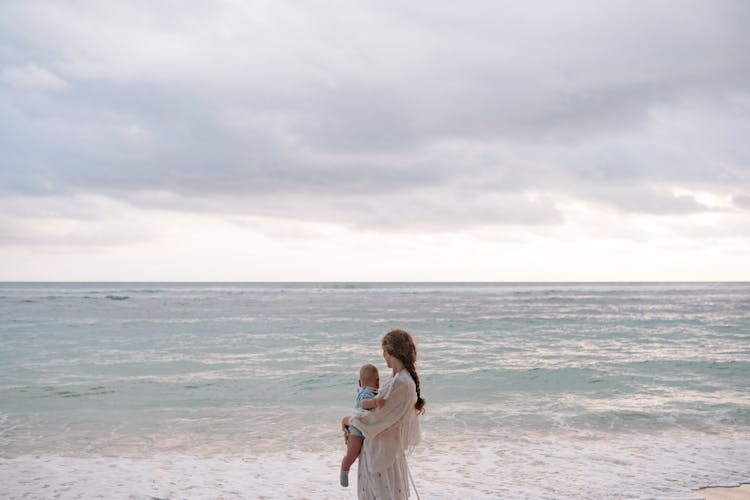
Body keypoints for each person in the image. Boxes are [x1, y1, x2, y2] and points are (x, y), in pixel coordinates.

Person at [341, 329, 426, 499]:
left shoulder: (401, 383)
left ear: (392, 352)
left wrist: (348, 420)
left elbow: (375, 419)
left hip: (383, 459)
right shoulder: (397, 380)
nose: (383, 357)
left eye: (384, 352)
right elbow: (376, 416)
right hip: (382, 454)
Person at [340, 363, 386, 487]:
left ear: (359, 382)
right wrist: (375, 402)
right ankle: (344, 469)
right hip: (356, 429)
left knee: (358, 452)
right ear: (377, 382)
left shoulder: (376, 392)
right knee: (352, 453)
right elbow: (363, 404)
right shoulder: (366, 392)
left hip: (363, 427)